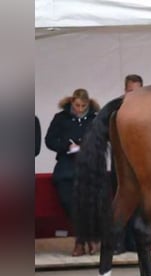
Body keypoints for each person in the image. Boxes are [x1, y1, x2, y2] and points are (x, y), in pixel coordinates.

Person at [45, 88, 100, 256]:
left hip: (88, 167)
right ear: (71, 102)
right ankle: (84, 237)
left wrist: (87, 146)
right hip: (66, 167)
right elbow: (49, 140)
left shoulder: (94, 119)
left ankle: (82, 240)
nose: (80, 109)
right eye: (77, 105)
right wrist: (66, 146)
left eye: (84, 106)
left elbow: (103, 140)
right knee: (70, 204)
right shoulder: (60, 118)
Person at [108, 74, 144, 254]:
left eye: (138, 92)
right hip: (121, 161)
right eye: (131, 91)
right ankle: (117, 243)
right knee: (121, 200)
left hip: (141, 163)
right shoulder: (119, 110)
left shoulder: (150, 113)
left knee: (140, 203)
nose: (134, 96)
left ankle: (134, 242)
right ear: (125, 91)